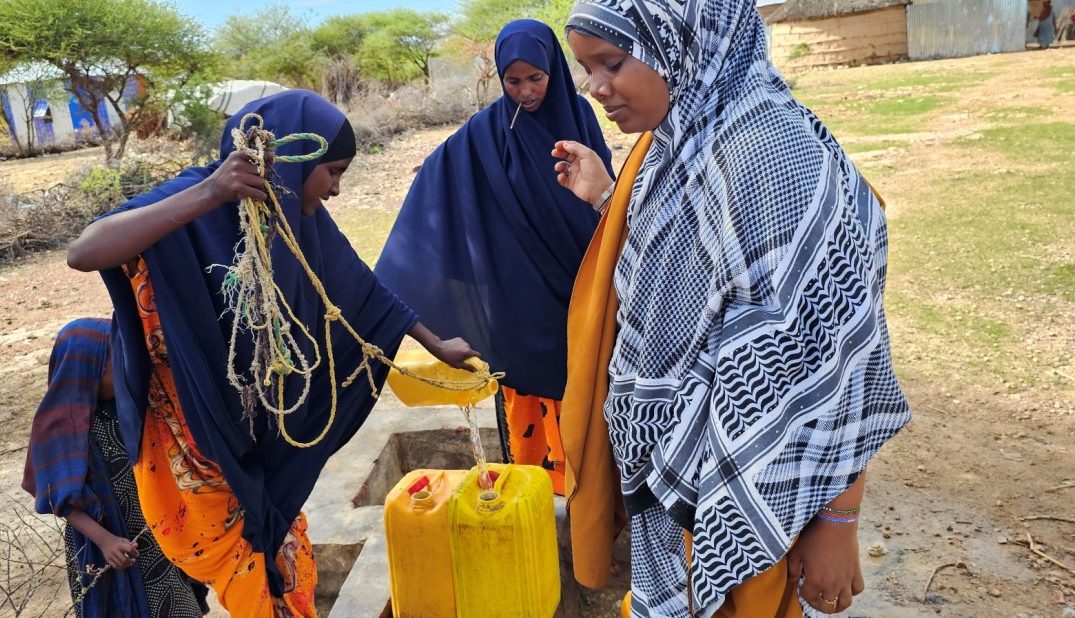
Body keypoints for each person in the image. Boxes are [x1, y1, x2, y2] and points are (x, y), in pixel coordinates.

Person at [552, 1, 912, 616]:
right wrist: (608, 197)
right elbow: (687, 269)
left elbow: (841, 355)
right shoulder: (672, 142)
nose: (596, 89)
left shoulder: (775, 158)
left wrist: (839, 521)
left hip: (751, 495)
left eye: (612, 62)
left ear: (689, 45)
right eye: (587, 69)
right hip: (676, 492)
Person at [67, 90, 478, 616]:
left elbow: (363, 293)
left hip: (259, 427)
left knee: (279, 547)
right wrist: (212, 194)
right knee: (239, 557)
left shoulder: (298, 223)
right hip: (195, 429)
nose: (335, 188)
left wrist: (435, 342)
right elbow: (85, 251)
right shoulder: (197, 194)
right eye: (332, 171)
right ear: (296, 161)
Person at [374, 19, 614, 495]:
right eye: (513, 80)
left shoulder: (582, 116)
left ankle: (595, 503)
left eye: (536, 78)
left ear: (554, 71)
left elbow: (606, 193)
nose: (525, 91)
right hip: (521, 305)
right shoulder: (486, 133)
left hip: (584, 288)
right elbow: (437, 184)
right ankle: (543, 495)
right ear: (500, 78)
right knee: (530, 418)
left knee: (593, 407)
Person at [22, 318, 210, 617]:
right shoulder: (57, 426)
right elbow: (55, 497)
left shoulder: (129, 409)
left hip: (156, 536)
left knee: (179, 608)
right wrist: (104, 539)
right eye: (115, 365)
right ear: (87, 372)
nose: (124, 372)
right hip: (103, 546)